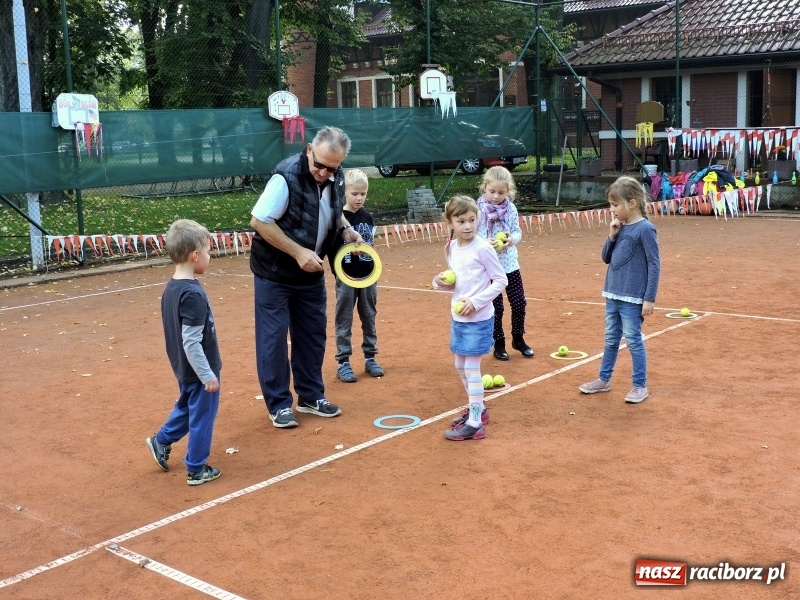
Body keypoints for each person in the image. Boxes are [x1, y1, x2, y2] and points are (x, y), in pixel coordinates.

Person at [250, 126, 363, 429]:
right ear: (309, 149)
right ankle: (278, 404)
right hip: (274, 273)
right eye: (320, 164)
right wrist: (299, 252)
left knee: (312, 336)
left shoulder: (336, 177)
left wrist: (345, 229)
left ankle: (311, 396)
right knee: (273, 340)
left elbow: (332, 208)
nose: (325, 172)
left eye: (333, 167)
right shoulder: (285, 177)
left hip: (310, 274)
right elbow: (260, 221)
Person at [146, 219, 222, 485]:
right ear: (195, 255)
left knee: (188, 408)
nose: (210, 257)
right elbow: (191, 341)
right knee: (202, 416)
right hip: (199, 369)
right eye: (209, 252)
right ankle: (196, 468)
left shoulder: (172, 288)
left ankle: (161, 440)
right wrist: (207, 375)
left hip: (184, 367)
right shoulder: (192, 294)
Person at [579, 176, 661, 404]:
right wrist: (611, 236)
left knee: (633, 340)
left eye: (615, 205)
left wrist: (649, 298)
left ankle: (639, 385)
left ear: (632, 203)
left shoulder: (645, 229)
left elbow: (654, 264)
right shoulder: (620, 227)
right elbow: (606, 258)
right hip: (612, 293)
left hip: (633, 297)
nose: (611, 209)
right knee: (611, 339)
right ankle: (603, 380)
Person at [433, 196, 508, 440]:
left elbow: (500, 280)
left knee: (472, 367)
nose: (468, 226)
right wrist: (439, 282)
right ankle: (479, 409)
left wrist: (476, 302)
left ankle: (475, 423)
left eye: (472, 220)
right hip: (459, 317)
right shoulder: (452, 247)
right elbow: (457, 282)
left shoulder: (483, 248)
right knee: (459, 365)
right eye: (461, 221)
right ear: (450, 223)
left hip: (480, 318)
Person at [329, 168, 384, 383]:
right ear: (344, 192)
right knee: (344, 317)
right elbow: (332, 248)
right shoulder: (338, 218)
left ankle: (371, 358)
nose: (359, 198)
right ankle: (343, 361)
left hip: (369, 276)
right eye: (354, 194)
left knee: (369, 316)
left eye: (363, 194)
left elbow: (370, 244)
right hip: (346, 277)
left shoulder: (367, 217)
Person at [476, 165, 534, 361]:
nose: (495, 196)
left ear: (508, 190)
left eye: (501, 192)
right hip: (489, 267)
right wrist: (486, 242)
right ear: (484, 188)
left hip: (510, 264)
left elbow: (517, 231)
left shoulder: (511, 209)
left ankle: (518, 339)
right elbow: (475, 235)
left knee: (519, 303)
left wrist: (511, 239)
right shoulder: (478, 209)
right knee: (497, 307)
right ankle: (498, 343)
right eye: (492, 191)